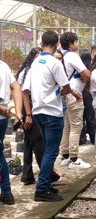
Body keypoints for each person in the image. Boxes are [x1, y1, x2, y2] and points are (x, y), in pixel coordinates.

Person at [23, 30, 82, 202]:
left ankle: (47, 184)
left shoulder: (35, 63)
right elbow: (65, 86)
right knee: (50, 151)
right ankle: (41, 189)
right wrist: (63, 92)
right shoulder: (55, 63)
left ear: (41, 44)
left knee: (48, 148)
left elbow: (26, 89)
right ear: (57, 44)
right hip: (52, 112)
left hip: (38, 112)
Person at [16, 47, 60, 185]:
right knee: (38, 142)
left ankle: (27, 175)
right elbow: (24, 93)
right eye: (37, 56)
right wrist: (27, 115)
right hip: (29, 108)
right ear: (32, 57)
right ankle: (47, 175)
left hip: (29, 108)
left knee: (29, 142)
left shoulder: (29, 70)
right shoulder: (30, 71)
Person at [59, 32, 91, 169]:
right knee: (76, 126)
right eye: (76, 42)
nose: (78, 44)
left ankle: (65, 156)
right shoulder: (72, 56)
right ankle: (74, 159)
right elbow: (87, 74)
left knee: (67, 125)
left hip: (67, 93)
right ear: (71, 43)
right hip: (75, 94)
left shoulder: (63, 56)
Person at [0, 60, 23, 205]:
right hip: (2, 119)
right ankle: (7, 193)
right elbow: (16, 87)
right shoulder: (3, 65)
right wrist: (18, 112)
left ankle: (7, 192)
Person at [79, 51, 96, 145]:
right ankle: (93, 138)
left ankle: (81, 139)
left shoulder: (78, 68)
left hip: (80, 92)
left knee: (80, 117)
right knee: (91, 117)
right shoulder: (91, 69)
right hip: (89, 93)